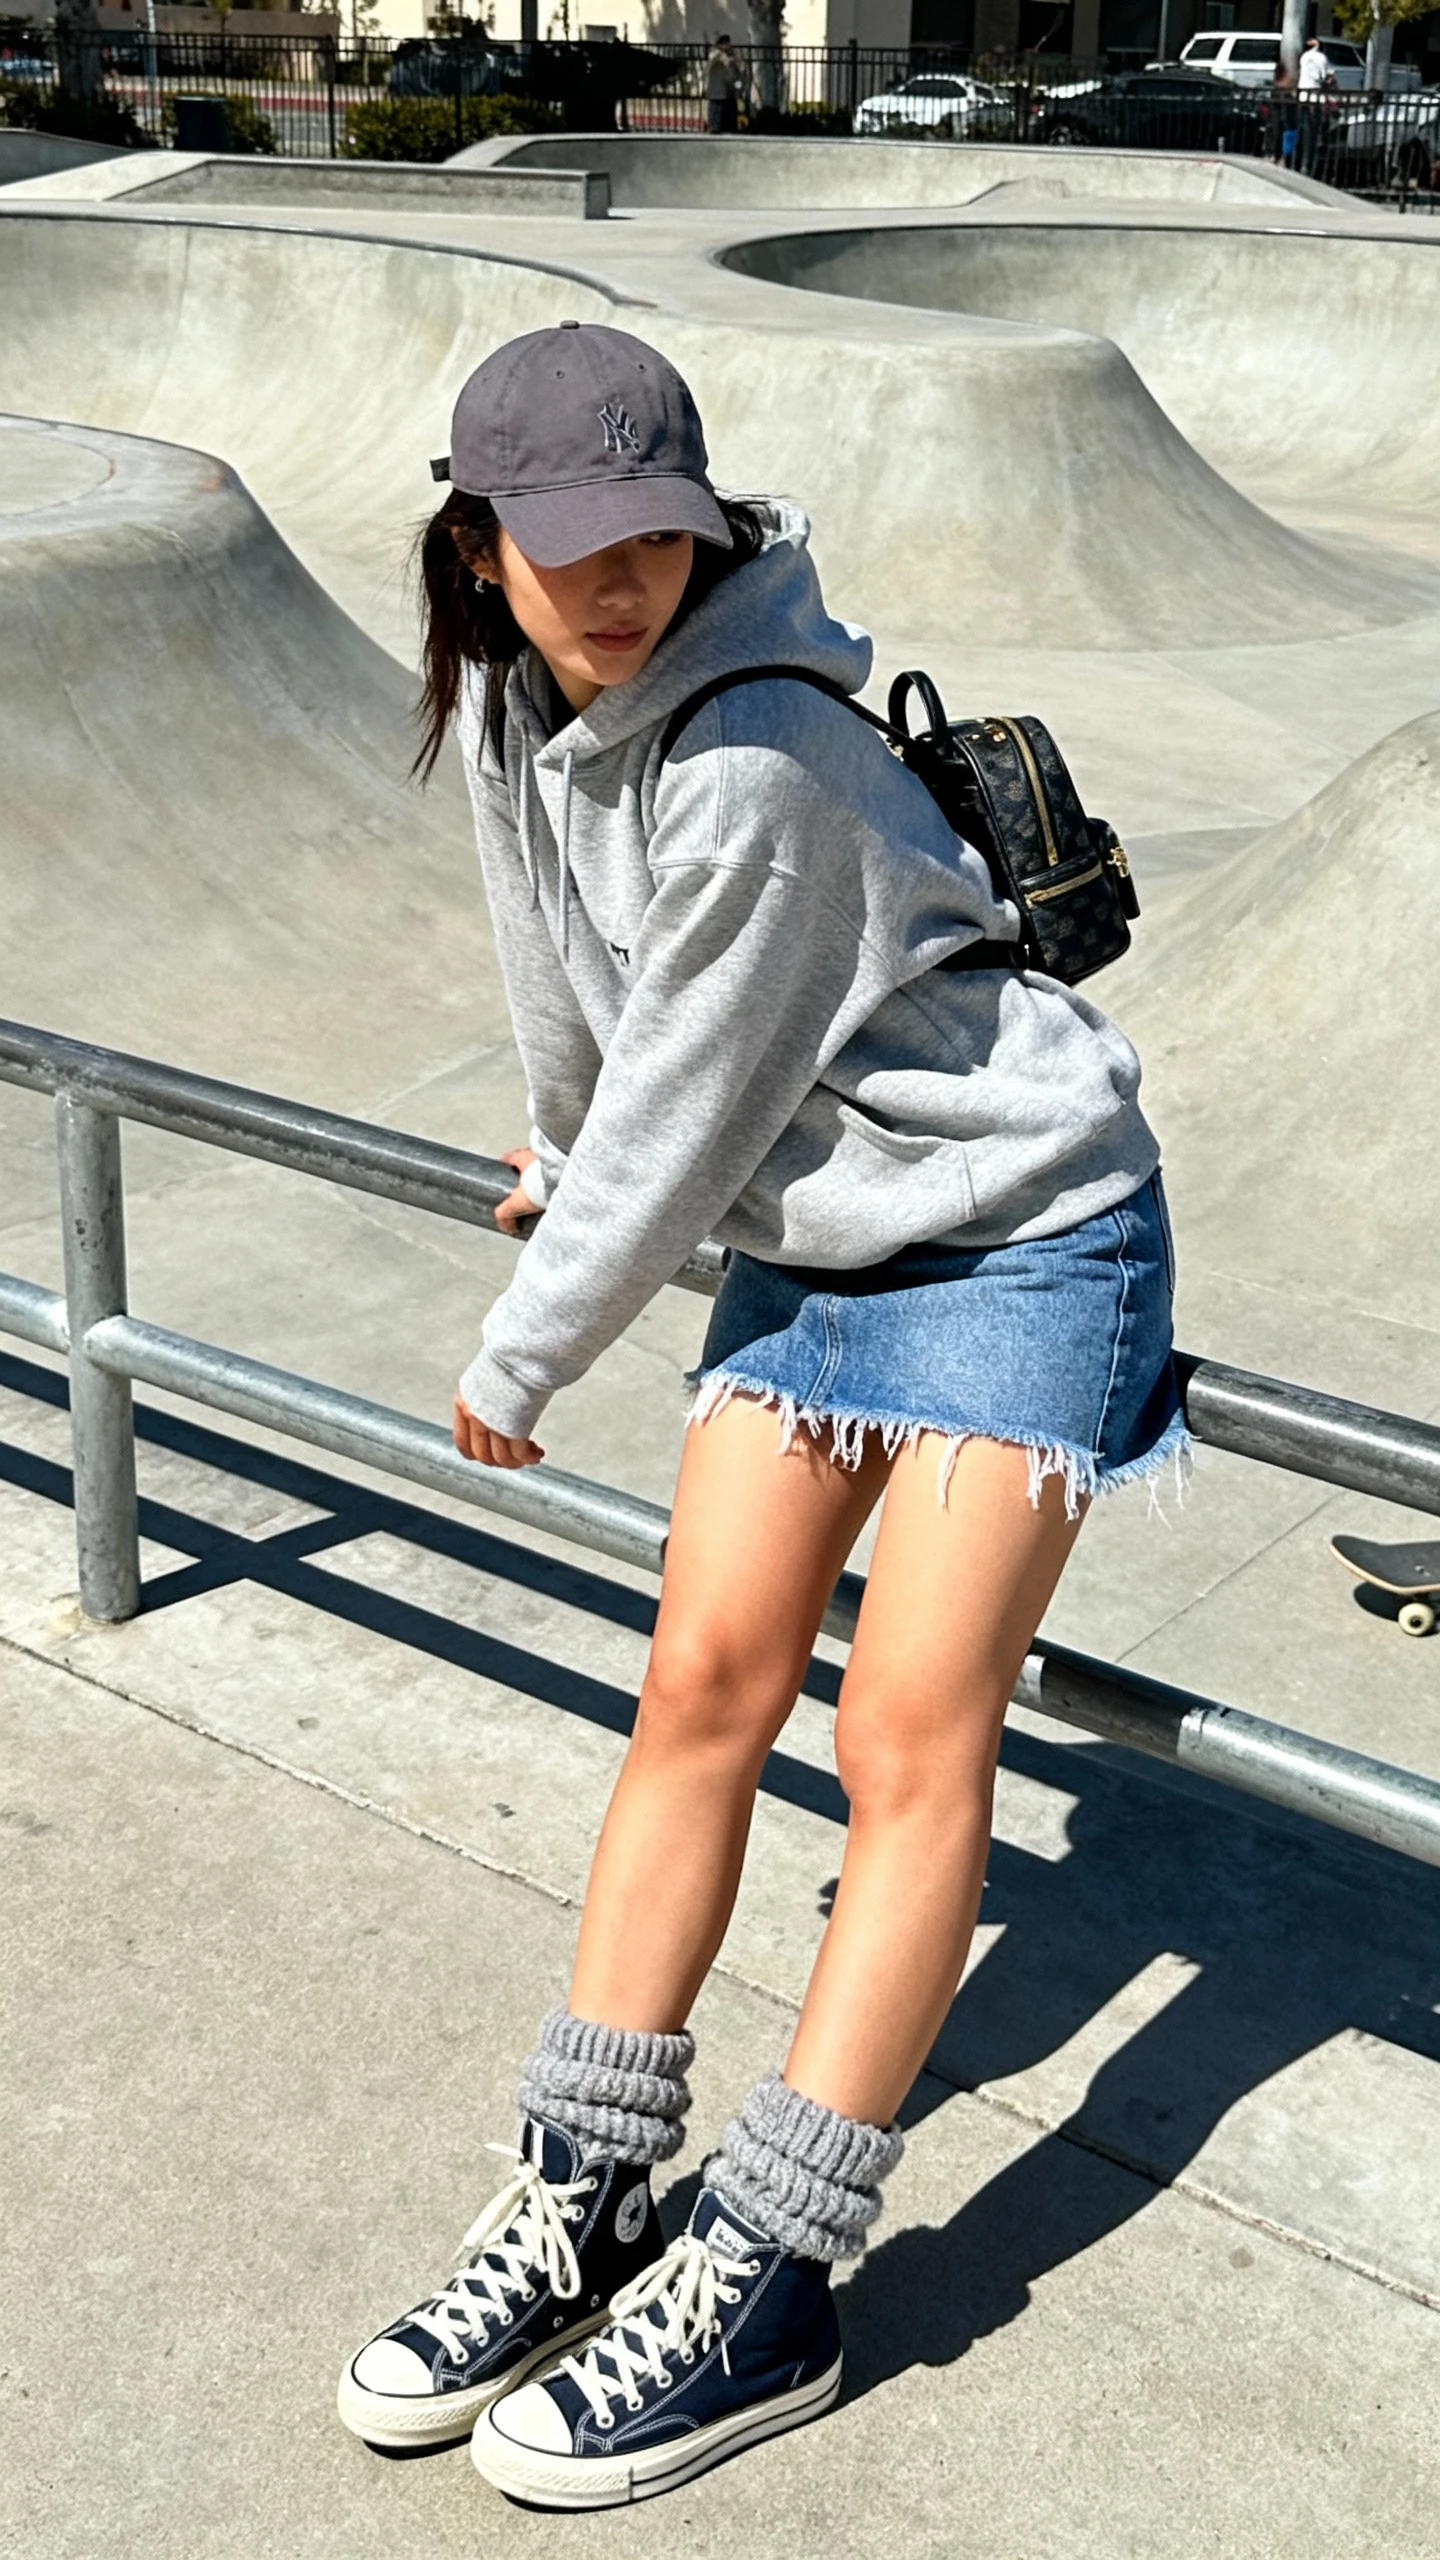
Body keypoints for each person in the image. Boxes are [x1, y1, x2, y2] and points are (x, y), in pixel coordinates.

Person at [336, 321, 1184, 2509]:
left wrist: (527, 1340)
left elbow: (692, 1105)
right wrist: (549, 1140)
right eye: (571, 548)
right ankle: (589, 2180)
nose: (618, 585)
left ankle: (778, 2270)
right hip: (820, 1236)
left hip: (1022, 1226)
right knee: (700, 1684)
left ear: (704, 524)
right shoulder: (533, 712)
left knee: (904, 1729)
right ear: (480, 544)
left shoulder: (760, 758)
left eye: (657, 540)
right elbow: (579, 1020)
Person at [1295, 33, 1334, 173]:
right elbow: (1326, 77)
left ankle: (1299, 163)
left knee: (1303, 130)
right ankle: (1310, 164)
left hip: (1303, 95)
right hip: (1316, 97)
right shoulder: (1322, 58)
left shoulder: (1304, 57)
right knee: (1315, 131)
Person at [705, 30, 741, 133]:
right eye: (726, 43)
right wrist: (718, 56)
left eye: (729, 43)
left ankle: (729, 128)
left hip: (729, 92)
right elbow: (707, 68)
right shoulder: (714, 56)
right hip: (717, 93)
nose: (729, 46)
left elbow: (737, 70)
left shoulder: (732, 56)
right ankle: (715, 128)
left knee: (730, 121)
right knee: (716, 121)